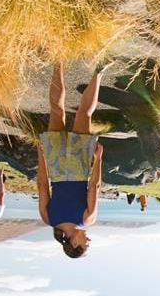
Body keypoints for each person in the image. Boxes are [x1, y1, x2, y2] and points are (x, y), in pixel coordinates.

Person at [36, 61, 108, 258]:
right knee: (57, 110)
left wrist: (98, 159)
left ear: (75, 243)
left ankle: (99, 72)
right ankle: (58, 63)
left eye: (86, 245)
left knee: (84, 112)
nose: (89, 241)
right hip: (57, 167)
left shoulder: (87, 219)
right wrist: (41, 155)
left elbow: (95, 186)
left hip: (78, 168)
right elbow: (42, 184)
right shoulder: (47, 219)